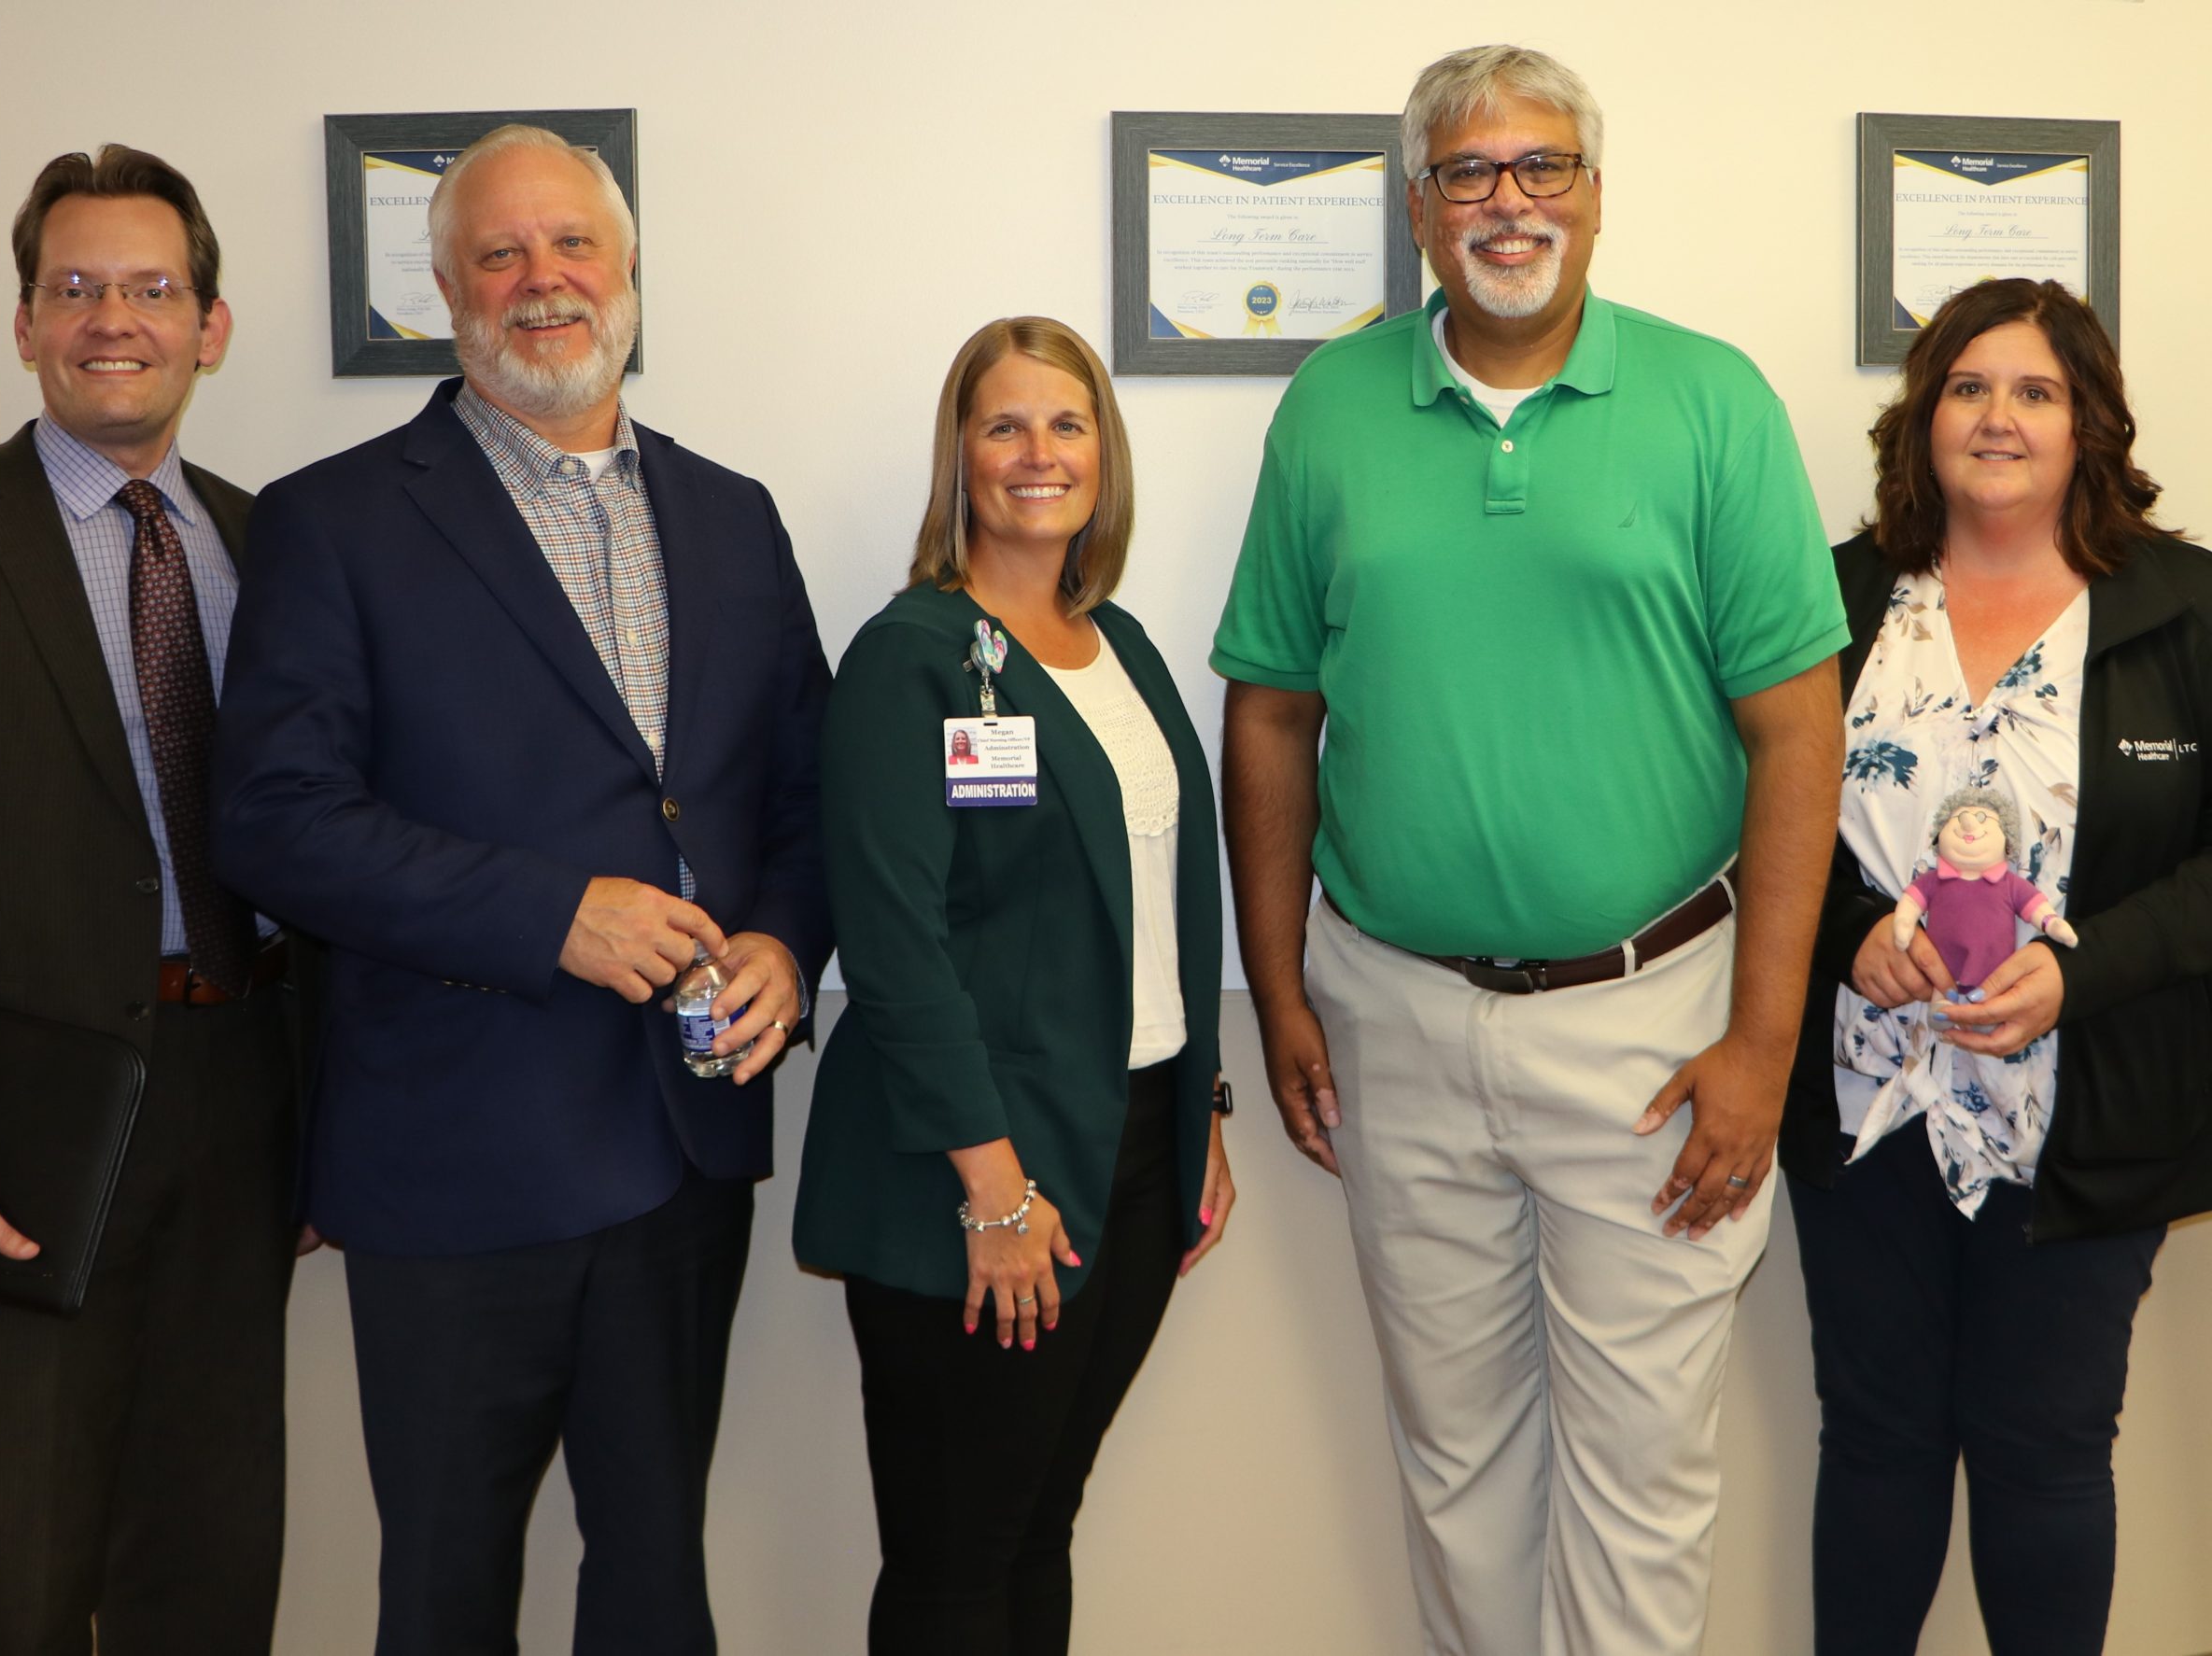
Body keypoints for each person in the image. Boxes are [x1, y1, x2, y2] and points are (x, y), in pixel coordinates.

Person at [1211, 44, 1849, 1656]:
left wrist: (1763, 1042)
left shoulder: (1711, 400)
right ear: (1419, 212)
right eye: (1470, 174)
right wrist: (1280, 990)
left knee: (1643, 1479)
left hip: (1658, 1026)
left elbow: (1799, 731)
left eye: (1541, 166)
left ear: (1595, 192)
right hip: (1395, 1019)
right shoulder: (1333, 407)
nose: (1509, 203)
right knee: (1457, 1463)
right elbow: (1273, 715)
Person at [210, 125, 830, 1653]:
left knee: (654, 1576)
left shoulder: (733, 514)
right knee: (444, 1584)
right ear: (444, 291)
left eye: (573, 248)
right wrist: (554, 913)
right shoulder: (333, 518)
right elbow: (276, 821)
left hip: (685, 1146)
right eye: (501, 255)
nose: (541, 281)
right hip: (454, 1156)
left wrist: (780, 941)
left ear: (628, 277)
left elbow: (805, 805)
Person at [0, 146, 300, 1655]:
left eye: (153, 288)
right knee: (21, 1582)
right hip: (13, 1140)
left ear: (210, 326)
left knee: (213, 1560)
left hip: (241, 1105)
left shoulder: (273, 546)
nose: (115, 319)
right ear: (24, 322)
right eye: (75, 287)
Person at [1784, 276, 2212, 1656]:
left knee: (2043, 1452)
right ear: (1921, 421)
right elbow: (1741, 820)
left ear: (2089, 421)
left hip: (2090, 1116)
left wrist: (2080, 976)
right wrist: (1854, 930)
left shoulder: (2187, 608)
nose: (1999, 417)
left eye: (2036, 390)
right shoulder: (1834, 595)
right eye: (1968, 387)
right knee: (1878, 1442)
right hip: (1865, 1105)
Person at [795, 316, 1233, 1655]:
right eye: (1004, 425)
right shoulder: (909, 658)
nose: (1038, 454)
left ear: (1104, 453)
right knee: (954, 1559)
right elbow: (894, 941)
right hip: (977, 1174)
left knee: (1038, 1523)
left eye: (1068, 423)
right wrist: (992, 1186)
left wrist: (1201, 1109)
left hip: (1135, 1148)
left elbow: (1167, 904)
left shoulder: (1126, 652)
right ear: (960, 457)